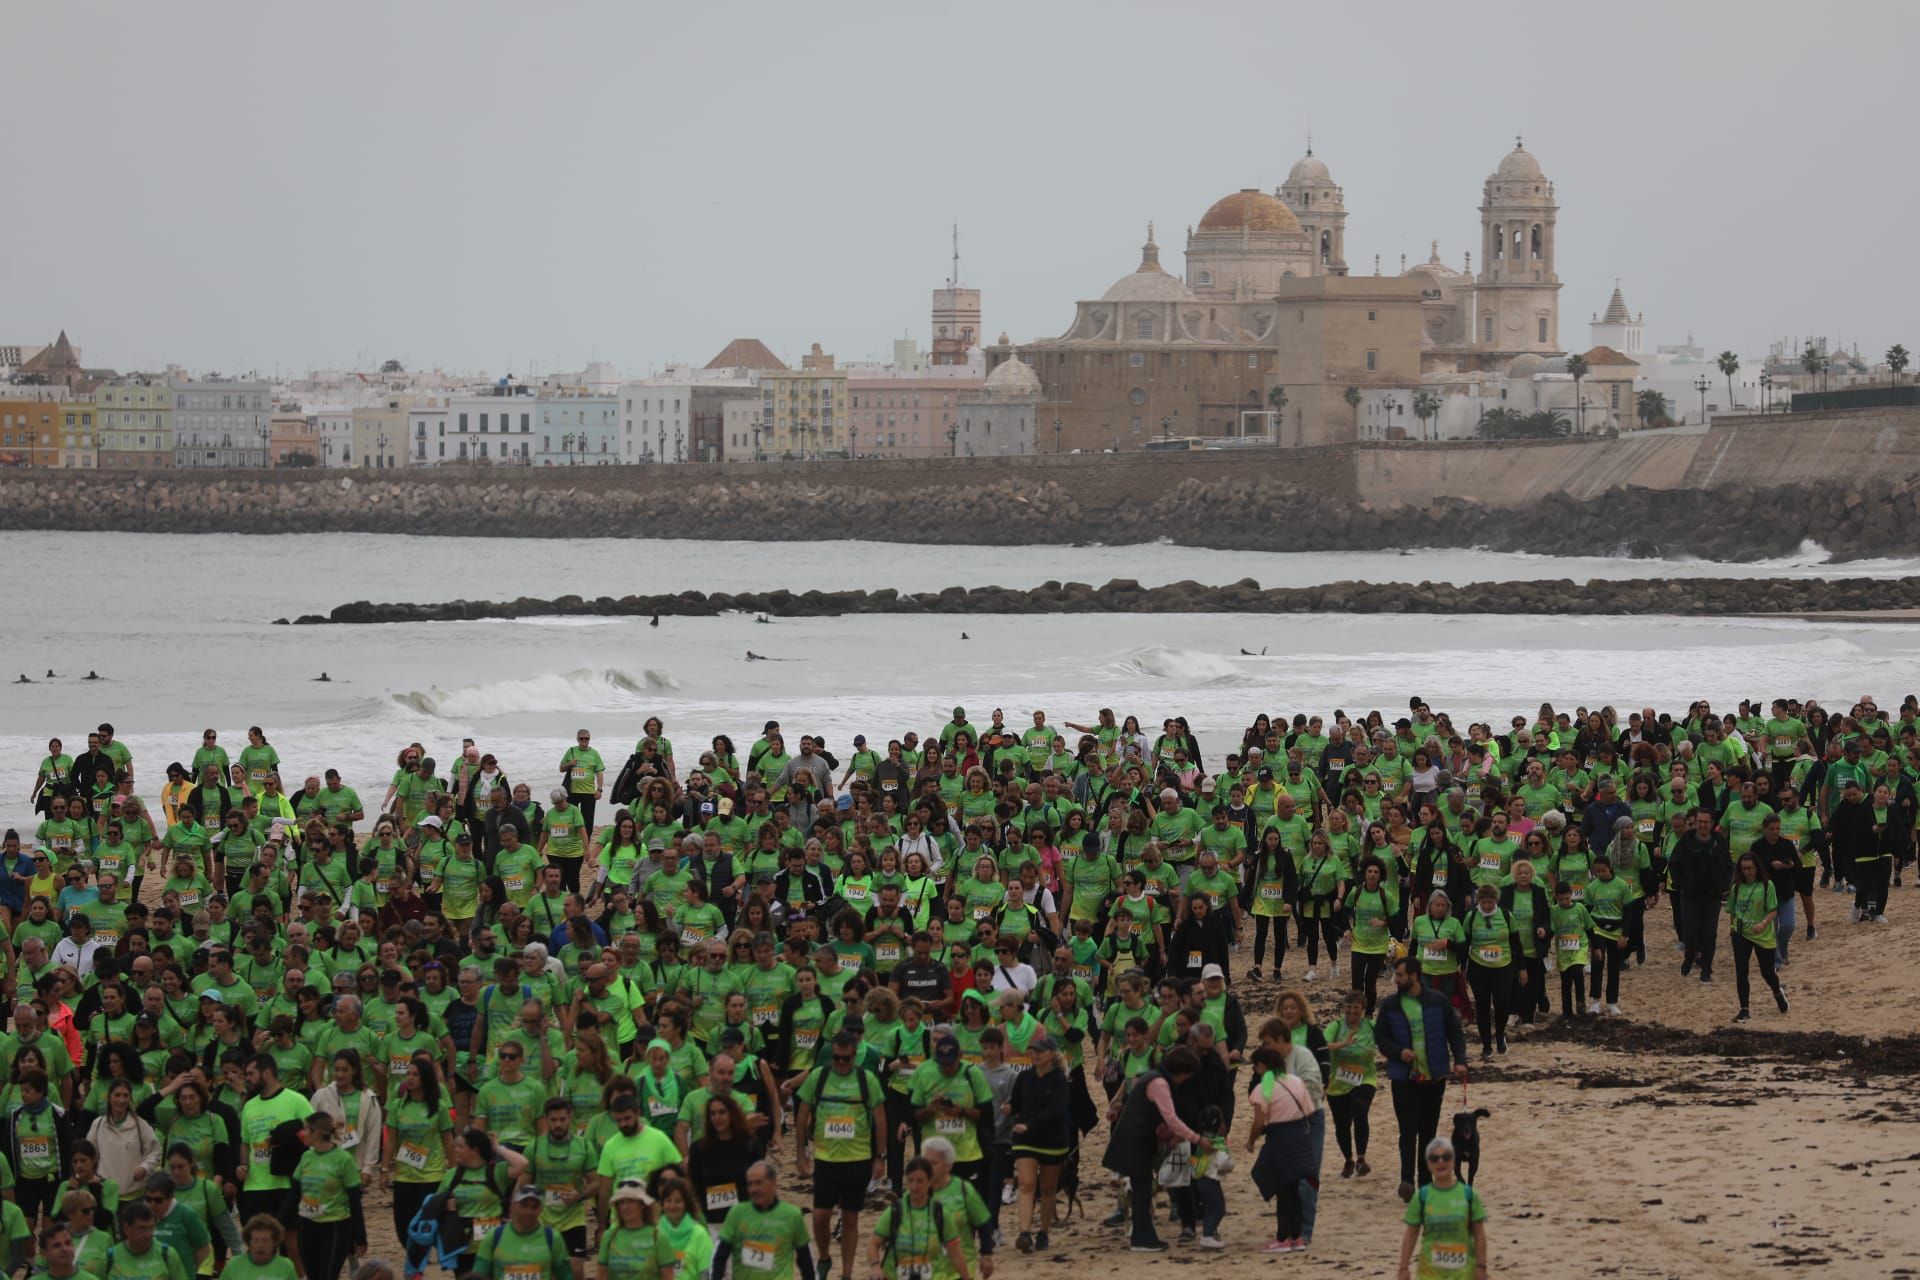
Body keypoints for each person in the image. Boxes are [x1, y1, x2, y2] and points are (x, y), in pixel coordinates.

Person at [1374, 957, 1467, 1204]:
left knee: (1427, 1132)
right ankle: (1407, 1181)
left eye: (1401, 975)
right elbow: (1380, 1038)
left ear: (1415, 975)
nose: (1397, 980)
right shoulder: (1390, 1005)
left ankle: (1425, 1183)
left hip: (1434, 1077)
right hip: (1403, 1078)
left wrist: (1460, 1061)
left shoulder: (1438, 1001)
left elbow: (1454, 1033)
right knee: (1407, 1131)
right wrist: (1398, 1053)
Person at [794, 1032, 886, 1280]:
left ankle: (846, 1273)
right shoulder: (819, 1076)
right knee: (821, 1215)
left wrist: (880, 1157)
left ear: (854, 1056)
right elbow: (802, 1114)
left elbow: (879, 1118)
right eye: (836, 1058)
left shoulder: (867, 1080)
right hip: (825, 1158)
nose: (840, 1063)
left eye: (845, 1059)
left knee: (849, 1217)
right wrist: (800, 1152)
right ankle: (824, 1257)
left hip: (857, 1159)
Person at [1100, 1044, 1201, 1253]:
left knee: (1143, 1189)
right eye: (1186, 1075)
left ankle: (1143, 1235)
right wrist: (1197, 1139)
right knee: (1142, 1190)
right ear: (1181, 1071)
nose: (1185, 1080)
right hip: (1135, 1140)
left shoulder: (1153, 1077)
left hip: (1135, 1138)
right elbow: (1171, 1118)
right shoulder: (1159, 1083)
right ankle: (1142, 1238)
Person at [1243, 1045, 1316, 1254]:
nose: (1255, 1070)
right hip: (1300, 1137)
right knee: (1293, 1189)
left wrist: (1250, 1142)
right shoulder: (1295, 1081)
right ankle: (1297, 1237)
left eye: (1256, 1065)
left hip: (1279, 1139)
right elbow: (1309, 1111)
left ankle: (1283, 1238)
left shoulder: (1263, 1088)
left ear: (1263, 1065)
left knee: (1283, 1188)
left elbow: (1258, 1123)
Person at [1005, 1032, 1072, 1255]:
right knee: (1026, 1184)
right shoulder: (1024, 1077)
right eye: (1033, 1050)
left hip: (1052, 1140)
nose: (1035, 1054)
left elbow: (1057, 1110)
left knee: (1048, 1188)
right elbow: (1015, 1103)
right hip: (1025, 1140)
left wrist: (1030, 1123)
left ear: (1052, 1054)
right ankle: (1024, 1233)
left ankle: (1043, 1231)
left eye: (1040, 1051)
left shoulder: (1060, 1080)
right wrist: (1009, 1109)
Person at [1395, 1137, 1489, 1280]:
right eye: (1434, 1158)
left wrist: (1481, 1267)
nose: (1441, 1162)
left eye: (1446, 1157)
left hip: (1463, 1273)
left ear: (1453, 1160)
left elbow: (1479, 1234)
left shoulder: (1469, 1195)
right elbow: (1411, 1234)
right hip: (1430, 1273)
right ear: (1428, 1164)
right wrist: (1403, 1268)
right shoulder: (1422, 1196)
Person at [867, 1156, 971, 1280]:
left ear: (930, 1182)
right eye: (910, 1181)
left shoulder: (940, 1213)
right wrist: (875, 1266)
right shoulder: (895, 1211)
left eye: (920, 1181)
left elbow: (955, 1253)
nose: (915, 1186)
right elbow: (873, 1243)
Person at [712, 1161, 817, 1280]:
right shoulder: (736, 1213)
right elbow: (720, 1255)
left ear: (773, 1183)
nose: (753, 1189)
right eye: (750, 1184)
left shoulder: (792, 1215)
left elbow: (806, 1260)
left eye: (758, 1183)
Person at [1727, 852, 1790, 1022]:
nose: (1747, 872)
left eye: (1750, 868)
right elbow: (1732, 910)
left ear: (1757, 868)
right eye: (1744, 869)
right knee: (1741, 971)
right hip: (1741, 934)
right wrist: (1732, 928)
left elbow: (1773, 910)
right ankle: (1744, 1010)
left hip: (1762, 935)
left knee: (1767, 972)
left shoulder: (1767, 885)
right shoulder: (1737, 887)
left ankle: (1777, 992)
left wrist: (1763, 923)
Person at [1324, 990, 1378, 1179]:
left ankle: (1361, 1159)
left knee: (1360, 1111)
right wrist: (1343, 1044)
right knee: (1342, 1124)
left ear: (1363, 1010)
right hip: (1337, 1081)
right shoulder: (1336, 1026)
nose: (1352, 1011)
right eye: (1348, 1007)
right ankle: (1349, 1160)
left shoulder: (1371, 1027)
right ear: (1343, 1008)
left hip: (1365, 1079)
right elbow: (1323, 1045)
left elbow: (1387, 1040)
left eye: (1356, 1008)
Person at [472, 1183, 575, 1280]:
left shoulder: (552, 1237)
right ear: (513, 1207)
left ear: (541, 1209)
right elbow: (479, 1274)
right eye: (524, 1205)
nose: (529, 1212)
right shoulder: (493, 1236)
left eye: (534, 1207)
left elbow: (566, 1276)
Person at [218, 1214, 298, 1280]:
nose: (260, 1245)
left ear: (274, 1242)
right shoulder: (234, 1264)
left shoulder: (286, 1265)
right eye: (256, 1240)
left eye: (265, 1241)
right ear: (249, 1242)